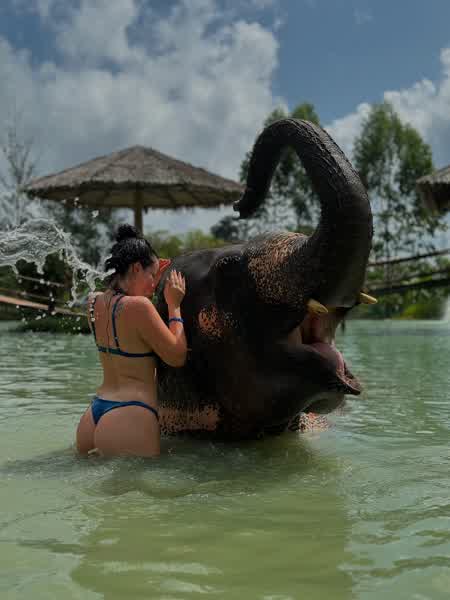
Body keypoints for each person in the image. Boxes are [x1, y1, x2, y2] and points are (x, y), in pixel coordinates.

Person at [76, 224, 186, 458]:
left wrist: (152, 270)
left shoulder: (93, 302)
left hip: (93, 416)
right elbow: (177, 356)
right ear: (136, 268)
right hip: (130, 415)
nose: (154, 284)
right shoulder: (139, 307)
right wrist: (174, 304)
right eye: (152, 275)